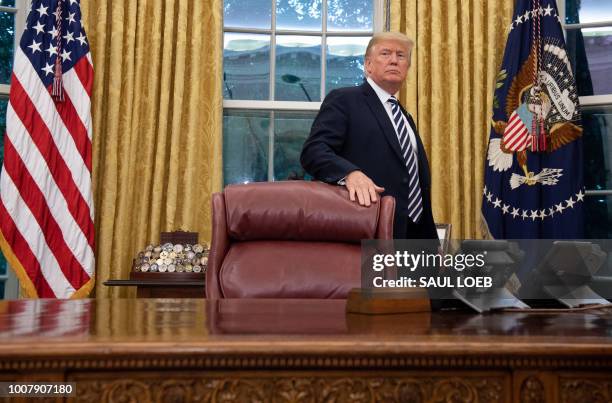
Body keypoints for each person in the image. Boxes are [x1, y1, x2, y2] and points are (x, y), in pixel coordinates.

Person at [300, 32, 438, 240]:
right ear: (368, 65)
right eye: (385, 53)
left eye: (401, 56)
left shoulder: (404, 116)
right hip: (369, 229)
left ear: (407, 68)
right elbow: (314, 152)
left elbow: (414, 180)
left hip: (414, 235)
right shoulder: (345, 100)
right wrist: (349, 174)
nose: (394, 60)